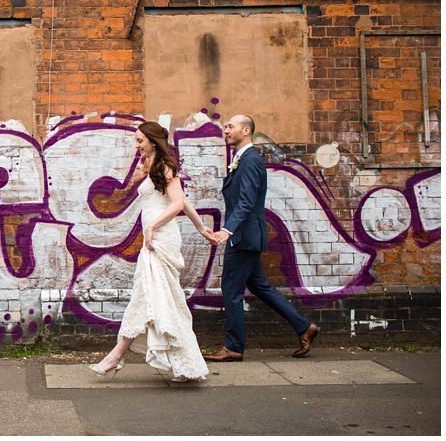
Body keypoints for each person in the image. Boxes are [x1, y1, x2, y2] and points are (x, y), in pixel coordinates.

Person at [89, 121, 211, 383]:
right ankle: (184, 364)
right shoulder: (152, 167)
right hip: (153, 237)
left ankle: (116, 355)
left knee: (149, 296)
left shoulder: (166, 167)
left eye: (140, 141)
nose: (136, 145)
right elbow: (180, 201)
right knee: (161, 300)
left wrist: (153, 227)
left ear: (153, 142)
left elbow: (177, 203)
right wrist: (202, 227)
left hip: (160, 239)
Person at [203, 114, 319, 362]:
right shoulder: (242, 159)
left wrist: (228, 230)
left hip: (243, 236)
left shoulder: (251, 160)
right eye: (225, 127)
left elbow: (246, 201)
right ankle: (303, 327)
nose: (225, 130)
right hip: (246, 235)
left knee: (231, 290)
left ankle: (234, 347)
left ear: (246, 131)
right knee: (259, 285)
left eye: (230, 127)